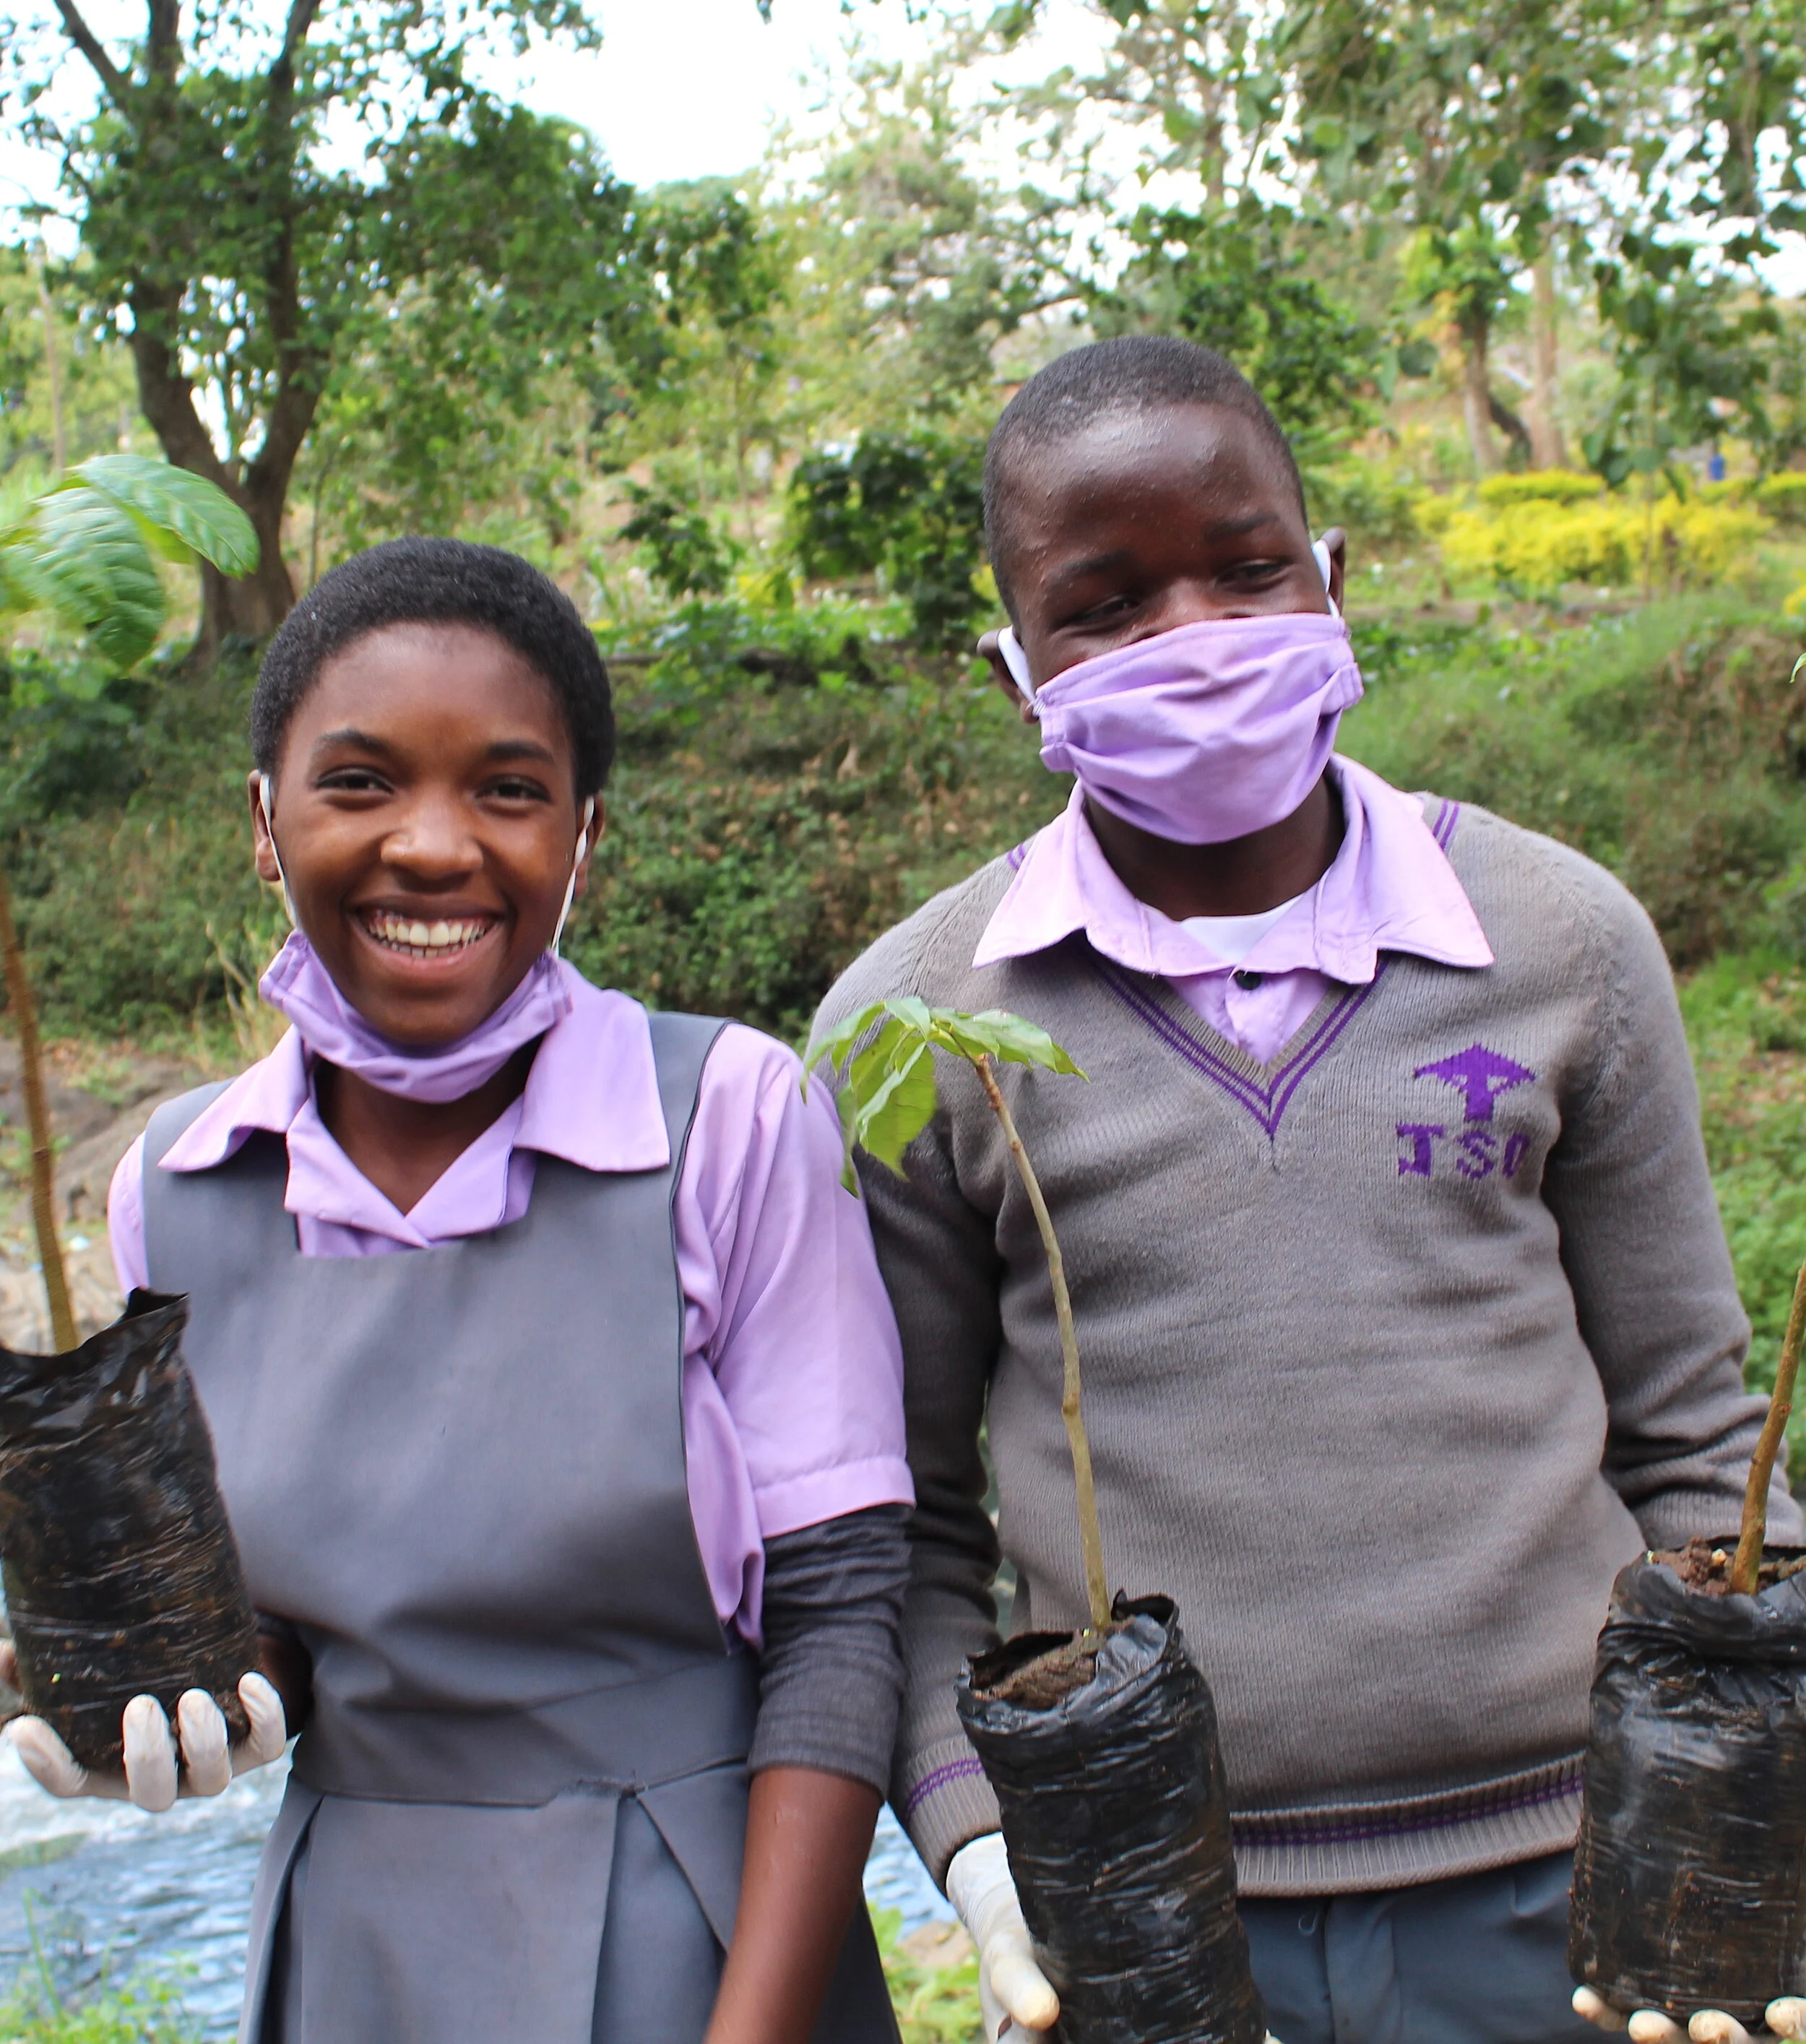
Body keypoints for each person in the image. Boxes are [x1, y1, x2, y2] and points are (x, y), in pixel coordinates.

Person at [813, 336, 1803, 2044]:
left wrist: (1750, 1817)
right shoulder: (924, 1031)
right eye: (1104, 604)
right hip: (1145, 1919)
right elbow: (904, 1534)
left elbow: (1697, 1446)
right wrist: (978, 1848)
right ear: (1014, 672)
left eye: (1245, 568)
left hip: (1575, 1887)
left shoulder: (1559, 938)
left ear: (1330, 582)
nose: (1192, 638)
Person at [3, 538, 914, 2044]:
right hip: (356, 1945)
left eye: (507, 788)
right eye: (358, 782)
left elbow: (836, 1617)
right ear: (262, 818)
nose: (432, 846)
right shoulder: (178, 1183)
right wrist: (169, 1693)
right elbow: (287, 1629)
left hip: (703, 1932)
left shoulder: (728, 1120)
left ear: (584, 831)